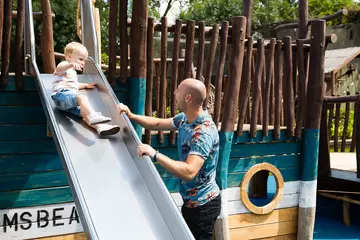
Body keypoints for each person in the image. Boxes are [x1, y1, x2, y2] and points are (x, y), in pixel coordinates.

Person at [117, 78, 221, 240]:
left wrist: (155, 155)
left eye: (178, 90)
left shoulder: (203, 133)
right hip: (190, 202)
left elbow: (189, 172)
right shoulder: (185, 119)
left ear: (187, 98)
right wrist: (131, 116)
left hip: (203, 206)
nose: (174, 93)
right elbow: (158, 123)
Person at [51, 42, 119, 136]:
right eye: (80, 59)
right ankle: (93, 115)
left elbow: (75, 85)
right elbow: (59, 69)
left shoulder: (71, 74)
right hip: (61, 96)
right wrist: (71, 65)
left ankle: (100, 127)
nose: (83, 62)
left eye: (84, 60)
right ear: (70, 57)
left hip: (67, 103)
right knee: (82, 97)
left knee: (84, 113)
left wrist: (86, 85)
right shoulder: (65, 64)